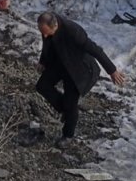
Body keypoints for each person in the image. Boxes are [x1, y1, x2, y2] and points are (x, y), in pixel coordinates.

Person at [35, 12, 126, 148]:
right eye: (43, 33)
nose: (45, 36)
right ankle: (66, 110)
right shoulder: (46, 28)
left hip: (79, 69)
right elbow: (47, 45)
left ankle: (68, 135)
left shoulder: (73, 31)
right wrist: (43, 61)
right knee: (42, 86)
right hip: (59, 63)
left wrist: (112, 70)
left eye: (47, 33)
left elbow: (95, 50)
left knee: (71, 102)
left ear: (55, 26)